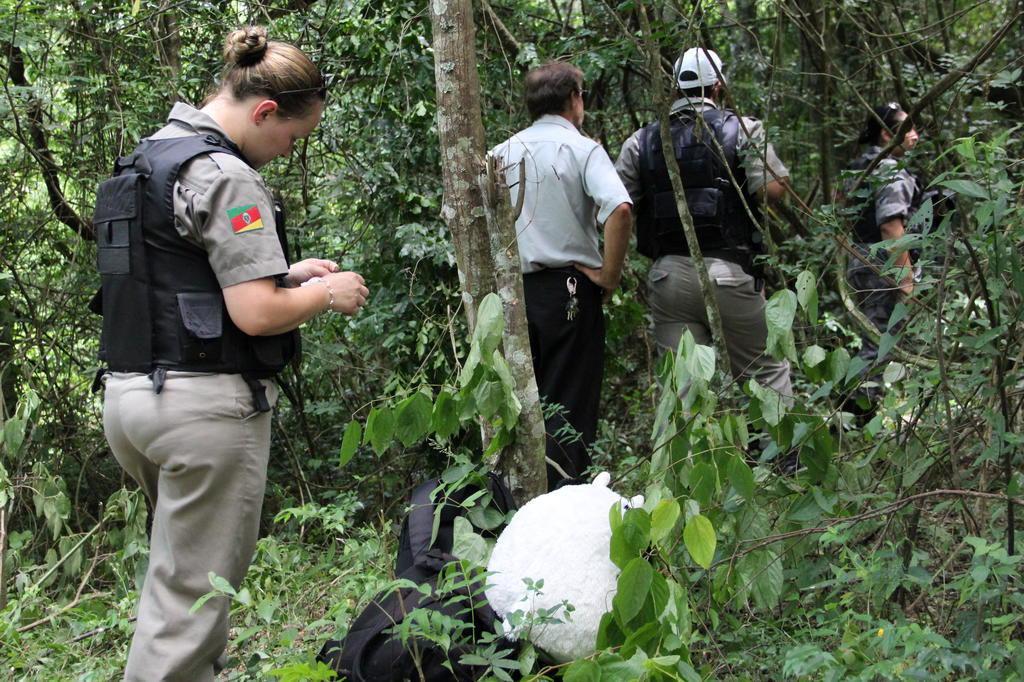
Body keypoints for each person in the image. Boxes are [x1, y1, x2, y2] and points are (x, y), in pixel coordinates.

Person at [93, 26, 369, 681]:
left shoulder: (153, 154)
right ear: (266, 111)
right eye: (292, 138)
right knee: (189, 604)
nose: (285, 151)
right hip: (203, 409)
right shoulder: (225, 173)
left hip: (132, 397)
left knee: (174, 585)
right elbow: (255, 312)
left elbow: (180, 275)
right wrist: (327, 293)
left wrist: (289, 271)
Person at [615, 47, 792, 397]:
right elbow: (770, 191)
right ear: (718, 87)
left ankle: (682, 452)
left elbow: (618, 203)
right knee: (767, 374)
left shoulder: (643, 140)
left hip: (669, 277)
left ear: (675, 90)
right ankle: (781, 452)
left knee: (681, 388)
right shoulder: (742, 129)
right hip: (728, 272)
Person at [489, 62, 633, 490]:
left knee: (517, 406)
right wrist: (608, 275)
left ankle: (514, 504)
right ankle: (563, 503)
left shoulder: (499, 153)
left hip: (511, 296)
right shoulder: (582, 150)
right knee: (568, 406)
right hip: (570, 291)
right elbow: (620, 209)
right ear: (574, 98)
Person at [843, 102, 921, 408]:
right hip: (881, 267)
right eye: (908, 128)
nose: (915, 135)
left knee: (875, 337)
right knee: (880, 342)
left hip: (860, 261)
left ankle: (862, 407)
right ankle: (854, 411)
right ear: (888, 134)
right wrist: (905, 280)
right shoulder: (888, 170)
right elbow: (891, 227)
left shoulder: (861, 166)